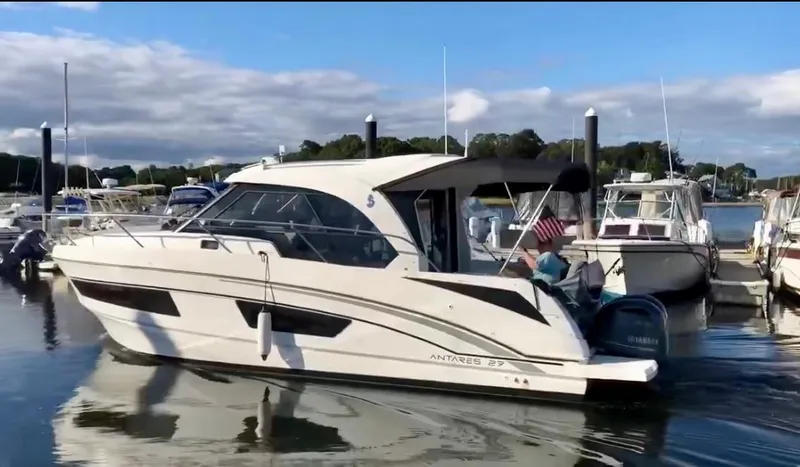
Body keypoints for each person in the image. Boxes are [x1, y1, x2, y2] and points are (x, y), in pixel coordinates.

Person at [519, 205, 568, 285]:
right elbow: (537, 263)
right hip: (545, 287)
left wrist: (523, 252)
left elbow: (534, 265)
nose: (538, 247)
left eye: (540, 244)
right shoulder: (555, 257)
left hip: (542, 289)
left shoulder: (548, 256)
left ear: (548, 244)